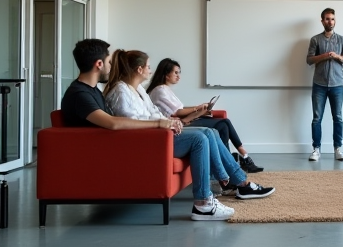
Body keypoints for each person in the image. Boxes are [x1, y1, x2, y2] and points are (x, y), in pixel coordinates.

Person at [61, 39, 234, 221]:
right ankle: (205, 202)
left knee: (204, 135)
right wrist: (160, 124)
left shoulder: (91, 91)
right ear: (98, 64)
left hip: (119, 145)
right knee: (200, 139)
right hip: (121, 148)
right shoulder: (80, 95)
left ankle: (211, 195)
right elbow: (112, 123)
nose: (113, 67)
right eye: (110, 62)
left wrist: (167, 123)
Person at [103, 49, 275, 203]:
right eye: (148, 66)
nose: (150, 70)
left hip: (159, 133)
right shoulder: (121, 91)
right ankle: (207, 197)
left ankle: (238, 182)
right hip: (152, 140)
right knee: (200, 137)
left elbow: (153, 112)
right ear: (139, 69)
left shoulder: (138, 89)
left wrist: (170, 122)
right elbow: (131, 123)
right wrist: (164, 123)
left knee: (211, 132)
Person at [147, 58, 263, 173]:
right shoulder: (160, 90)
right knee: (223, 124)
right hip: (179, 123)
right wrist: (197, 108)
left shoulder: (165, 89)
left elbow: (178, 109)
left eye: (179, 73)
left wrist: (200, 110)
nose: (179, 76)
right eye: (176, 73)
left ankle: (240, 159)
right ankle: (240, 159)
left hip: (182, 120)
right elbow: (177, 112)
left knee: (224, 122)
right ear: (166, 74)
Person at [306, 7, 343, 162]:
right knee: (317, 118)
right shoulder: (315, 40)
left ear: (335, 20)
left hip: (337, 84)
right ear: (322, 21)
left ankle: (337, 148)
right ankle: (316, 149)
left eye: (332, 19)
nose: (330, 21)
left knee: (337, 117)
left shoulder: (342, 40)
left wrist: (338, 56)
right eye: (327, 19)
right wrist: (324, 56)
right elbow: (309, 60)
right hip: (319, 84)